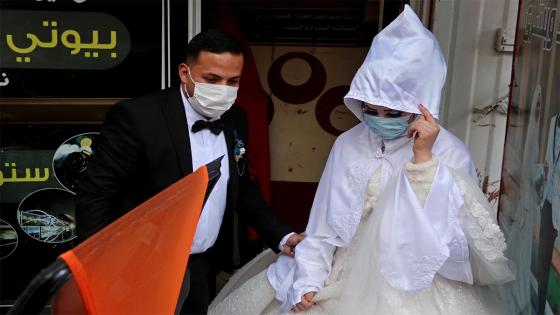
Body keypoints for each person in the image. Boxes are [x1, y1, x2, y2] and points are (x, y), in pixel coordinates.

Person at [208, 5, 514, 314]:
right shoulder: (348, 143)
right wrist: (309, 280)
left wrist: (423, 160)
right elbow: (323, 225)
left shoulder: (450, 152)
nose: (380, 120)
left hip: (415, 285)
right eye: (371, 109)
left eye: (393, 113)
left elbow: (448, 240)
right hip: (343, 270)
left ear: (422, 106)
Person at [75, 29, 304, 314]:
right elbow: (96, 193)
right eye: (212, 79)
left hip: (202, 265)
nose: (223, 89)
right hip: (141, 267)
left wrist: (283, 236)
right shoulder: (138, 117)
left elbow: (241, 188)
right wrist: (100, 266)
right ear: (185, 72)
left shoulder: (236, 118)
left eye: (233, 81)